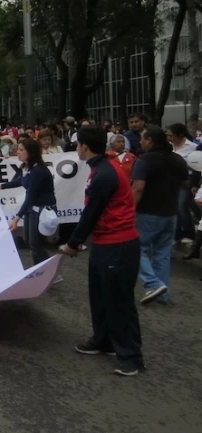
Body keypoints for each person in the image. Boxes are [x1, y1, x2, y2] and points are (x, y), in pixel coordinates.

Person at [59, 125, 144, 376]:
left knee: (119, 301)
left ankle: (131, 356)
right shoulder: (100, 168)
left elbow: (91, 212)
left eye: (77, 145)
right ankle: (104, 341)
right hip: (105, 243)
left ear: (85, 146)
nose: (76, 148)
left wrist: (73, 242)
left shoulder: (104, 174)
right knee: (100, 295)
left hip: (118, 245)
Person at [131, 125, 187, 305]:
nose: (140, 142)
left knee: (138, 248)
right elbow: (183, 184)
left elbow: (138, 187)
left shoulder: (144, 160)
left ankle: (152, 283)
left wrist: (129, 210)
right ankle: (162, 294)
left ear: (150, 141)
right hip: (170, 213)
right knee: (162, 253)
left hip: (147, 213)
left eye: (143, 138)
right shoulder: (178, 159)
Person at [0, 138, 58, 277]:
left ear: (31, 153)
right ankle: (42, 269)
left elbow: (31, 196)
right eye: (18, 150)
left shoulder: (38, 170)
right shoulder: (26, 168)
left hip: (42, 209)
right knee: (29, 241)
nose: (18, 152)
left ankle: (48, 272)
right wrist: (1, 186)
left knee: (35, 242)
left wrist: (16, 218)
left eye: (21, 150)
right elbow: (19, 181)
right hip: (33, 209)